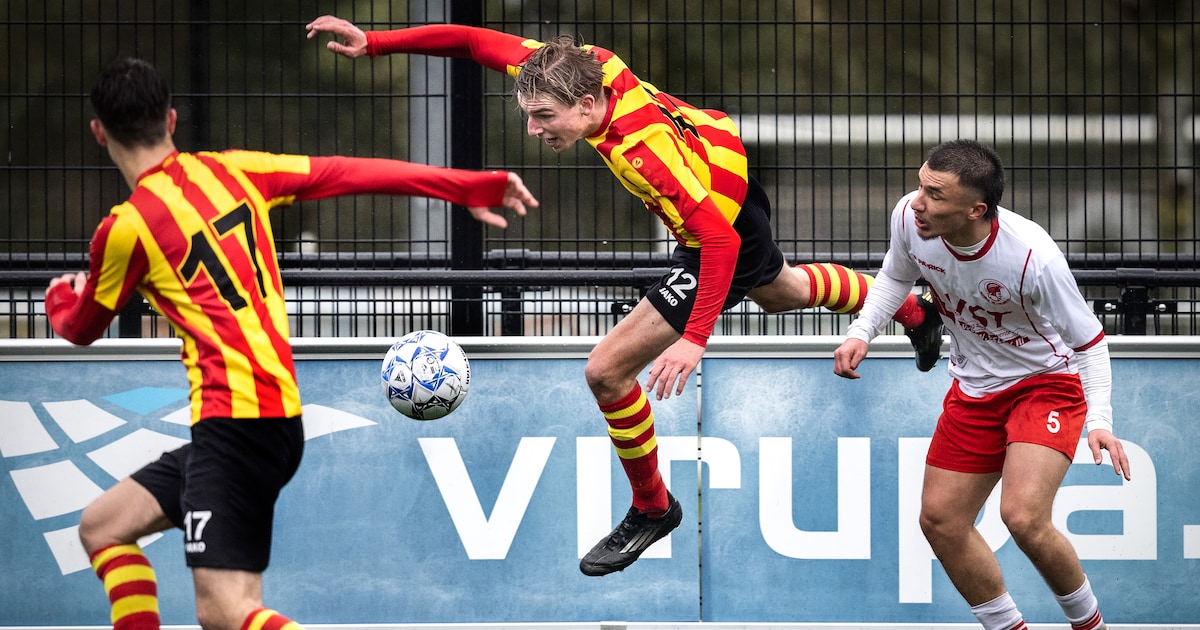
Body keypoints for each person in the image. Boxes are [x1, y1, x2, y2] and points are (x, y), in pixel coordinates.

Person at [305, 16, 943, 576]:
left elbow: (717, 245)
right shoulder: (583, 65)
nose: (533, 130)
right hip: (729, 179)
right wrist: (378, 42)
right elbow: (474, 40)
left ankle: (652, 505)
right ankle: (913, 307)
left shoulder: (644, 157)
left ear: (585, 105)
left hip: (718, 225)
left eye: (544, 118)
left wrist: (695, 340)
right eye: (529, 114)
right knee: (780, 291)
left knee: (606, 371)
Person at [46, 57, 537, 630]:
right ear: (172, 120)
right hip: (267, 421)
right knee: (103, 526)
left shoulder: (125, 228)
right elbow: (353, 172)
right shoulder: (236, 171)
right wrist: (467, 184)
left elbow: (80, 328)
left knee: (227, 612)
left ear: (98, 131)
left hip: (235, 425)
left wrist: (60, 294)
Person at [833, 140, 1131, 630]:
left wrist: (1100, 419)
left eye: (934, 193)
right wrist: (861, 332)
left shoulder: (1034, 257)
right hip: (973, 389)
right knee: (940, 522)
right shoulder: (911, 218)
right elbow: (894, 277)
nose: (918, 201)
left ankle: (1091, 626)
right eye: (920, 184)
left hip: (1045, 384)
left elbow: (1090, 343)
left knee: (1023, 518)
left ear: (977, 209)